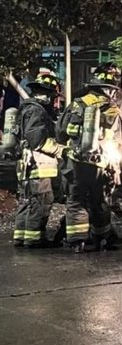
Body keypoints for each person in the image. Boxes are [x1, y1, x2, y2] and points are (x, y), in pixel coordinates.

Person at [56, 63, 122, 253]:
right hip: (100, 165)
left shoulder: (76, 104)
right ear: (109, 90)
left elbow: (60, 132)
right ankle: (101, 237)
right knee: (99, 201)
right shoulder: (111, 109)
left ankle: (77, 242)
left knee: (75, 201)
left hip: (75, 163)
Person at [13, 72, 65, 248]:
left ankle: (21, 237)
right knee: (41, 201)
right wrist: (61, 150)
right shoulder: (37, 110)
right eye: (52, 96)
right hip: (39, 165)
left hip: (25, 164)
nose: (54, 101)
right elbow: (37, 140)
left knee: (26, 201)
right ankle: (35, 239)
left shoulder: (26, 109)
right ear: (47, 95)